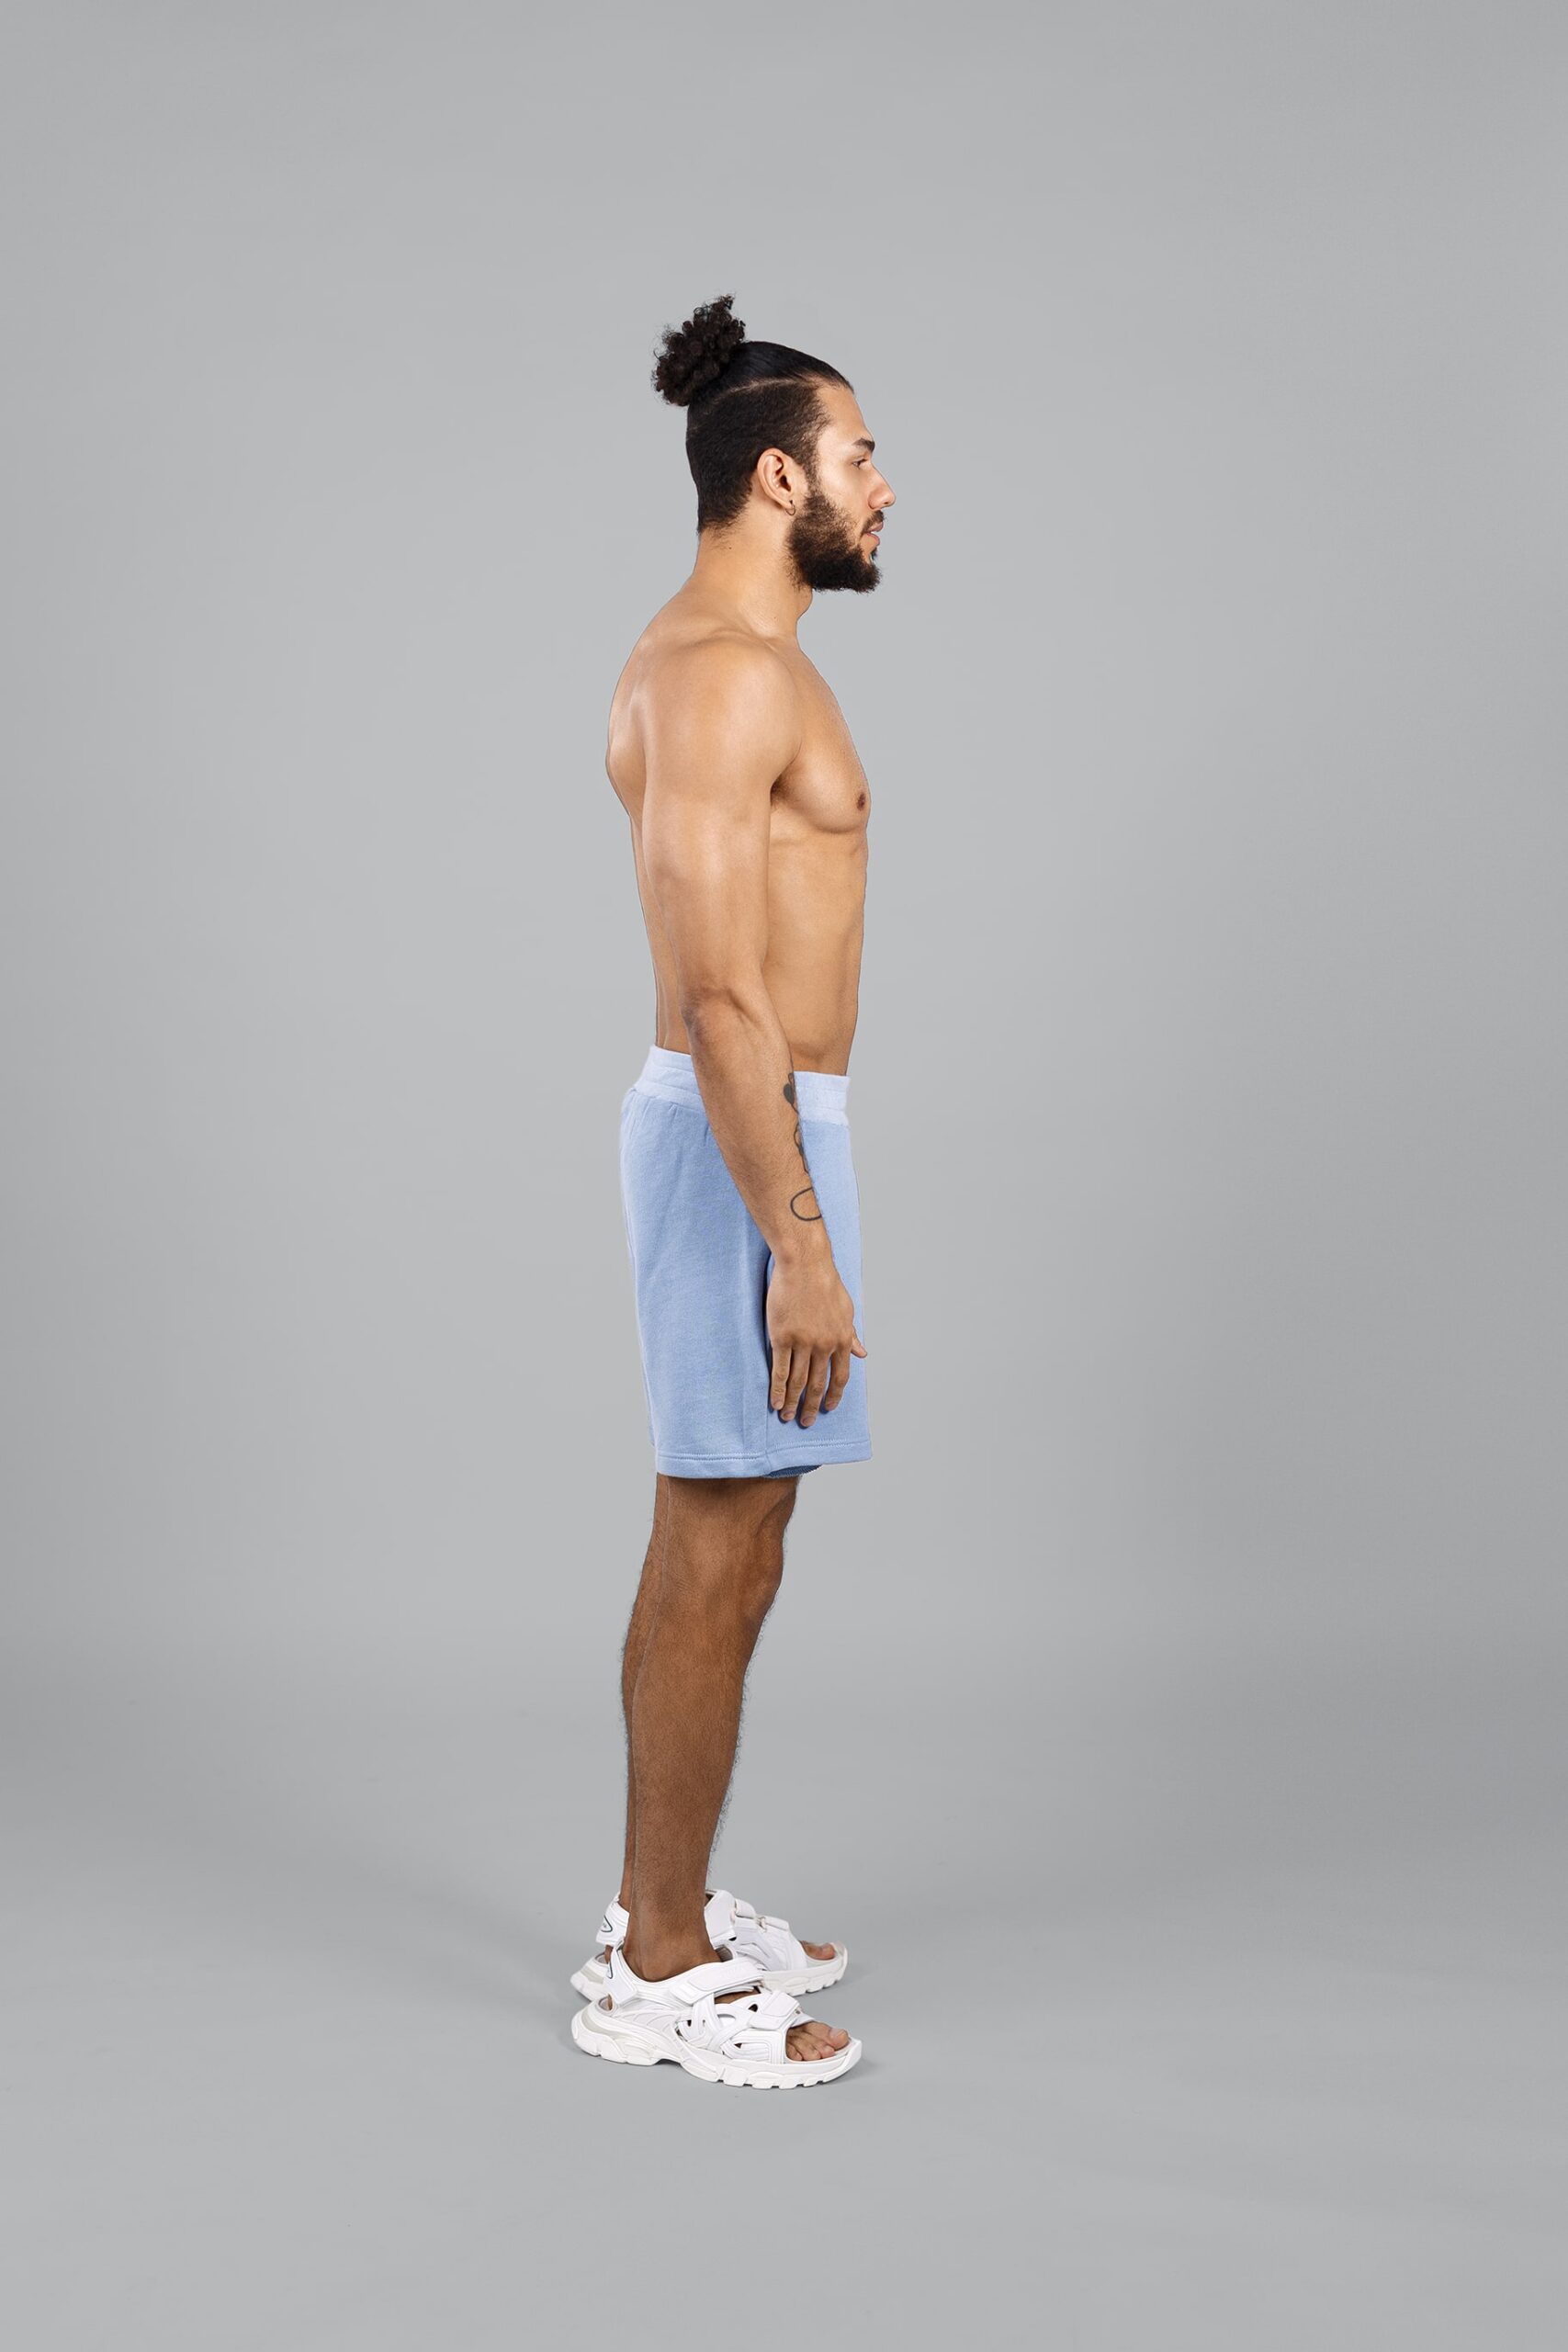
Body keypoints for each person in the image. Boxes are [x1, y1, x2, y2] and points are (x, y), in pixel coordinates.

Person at [569, 295, 895, 2089]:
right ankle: (657, 1962)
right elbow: (712, 993)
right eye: (859, 456)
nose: (883, 487)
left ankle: (666, 1902)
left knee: (744, 1529)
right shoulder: (714, 673)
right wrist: (796, 1239)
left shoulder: (752, 661)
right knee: (711, 1536)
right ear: (779, 478)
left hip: (777, 1128)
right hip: (737, 1134)